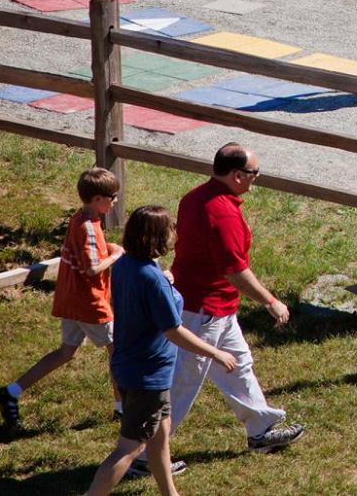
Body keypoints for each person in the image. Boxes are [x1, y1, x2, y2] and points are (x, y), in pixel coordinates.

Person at [86, 206, 239, 496]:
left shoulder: (126, 266)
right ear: (156, 237)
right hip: (148, 375)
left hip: (126, 365)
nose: (175, 234)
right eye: (170, 229)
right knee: (129, 448)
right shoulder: (152, 279)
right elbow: (174, 330)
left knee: (160, 434)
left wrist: (163, 283)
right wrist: (215, 353)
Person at [166, 145, 304, 457]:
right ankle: (144, 454)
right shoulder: (223, 213)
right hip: (203, 311)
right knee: (183, 381)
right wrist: (271, 301)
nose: (257, 179)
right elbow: (235, 271)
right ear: (237, 175)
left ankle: (260, 430)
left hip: (213, 307)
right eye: (255, 173)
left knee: (239, 366)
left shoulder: (194, 197)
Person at [0, 167, 123, 429]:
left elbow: (85, 255)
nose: (115, 201)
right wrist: (116, 255)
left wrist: (106, 248)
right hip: (89, 302)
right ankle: (123, 409)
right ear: (98, 199)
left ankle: (11, 392)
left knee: (66, 352)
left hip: (70, 299)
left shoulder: (79, 219)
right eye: (112, 196)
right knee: (118, 353)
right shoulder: (88, 227)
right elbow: (91, 269)